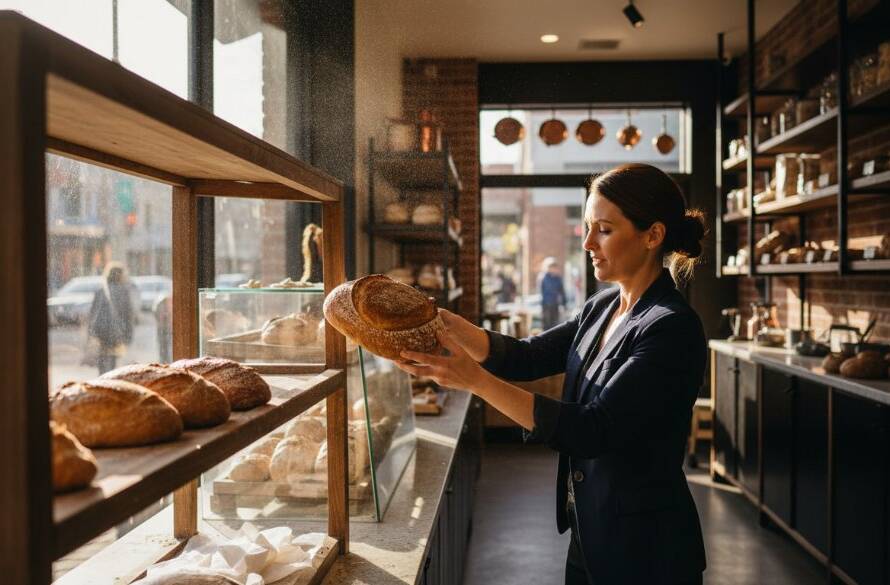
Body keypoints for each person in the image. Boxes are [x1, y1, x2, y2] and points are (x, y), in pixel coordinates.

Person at [396, 163, 708, 585]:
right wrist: (447, 323)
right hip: (589, 531)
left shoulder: (671, 327)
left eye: (605, 229)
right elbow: (526, 357)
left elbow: (594, 430)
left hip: (645, 550)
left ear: (652, 236)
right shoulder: (602, 307)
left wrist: (474, 380)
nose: (588, 242)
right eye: (586, 226)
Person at [88, 262, 135, 374]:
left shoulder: (100, 290)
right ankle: (110, 380)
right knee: (112, 359)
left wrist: (90, 333)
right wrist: (128, 335)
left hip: (101, 332)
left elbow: (93, 313)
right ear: (120, 275)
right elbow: (128, 315)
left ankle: (101, 380)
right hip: (116, 332)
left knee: (102, 358)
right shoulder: (123, 291)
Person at [539, 257, 566, 331]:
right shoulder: (543, 277)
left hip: (555, 304)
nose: (553, 269)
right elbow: (541, 292)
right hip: (546, 305)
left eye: (554, 267)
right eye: (551, 267)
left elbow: (562, 291)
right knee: (546, 324)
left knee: (554, 324)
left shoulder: (558, 278)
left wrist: (564, 303)